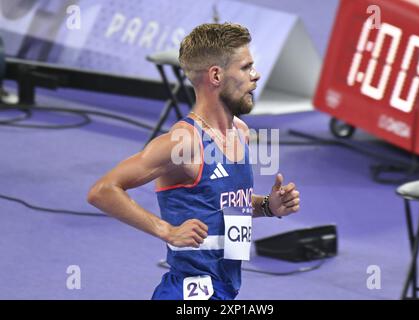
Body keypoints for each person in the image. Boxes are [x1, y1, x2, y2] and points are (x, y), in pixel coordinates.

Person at [87, 22, 300, 300]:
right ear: (216, 75)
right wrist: (167, 230)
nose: (255, 75)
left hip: (226, 289)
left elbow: (223, 206)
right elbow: (102, 190)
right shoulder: (184, 143)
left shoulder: (241, 133)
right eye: (246, 67)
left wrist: (267, 207)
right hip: (188, 294)